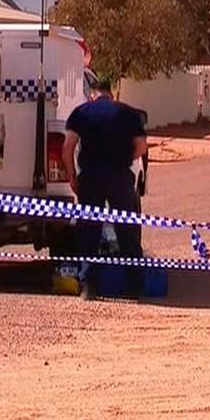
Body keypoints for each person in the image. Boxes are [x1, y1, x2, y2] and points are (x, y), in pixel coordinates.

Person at [63, 76, 148, 298]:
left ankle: (88, 285)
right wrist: (122, 160)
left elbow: (67, 148)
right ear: (112, 94)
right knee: (127, 230)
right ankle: (133, 287)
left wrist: (73, 176)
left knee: (90, 231)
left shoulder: (81, 113)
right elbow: (141, 147)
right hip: (120, 177)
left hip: (90, 178)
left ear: (93, 94)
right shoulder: (129, 113)